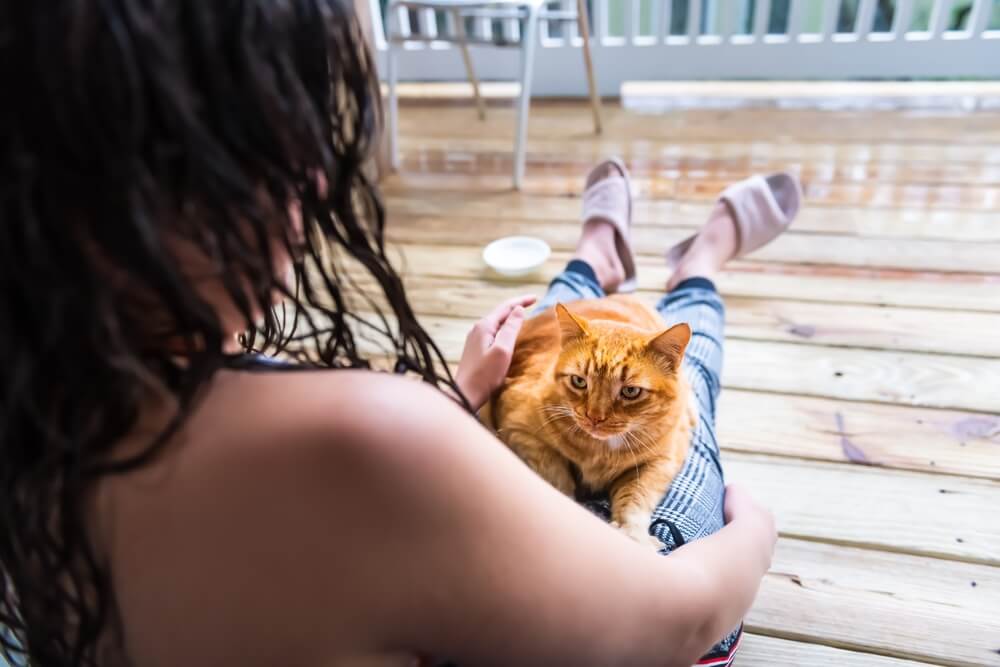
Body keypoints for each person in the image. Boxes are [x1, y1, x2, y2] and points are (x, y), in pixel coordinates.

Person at [0, 2, 777, 666]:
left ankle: (593, 256)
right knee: (685, 398)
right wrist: (759, 532)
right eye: (286, 130)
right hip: (631, 614)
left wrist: (462, 390)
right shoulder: (369, 443)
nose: (313, 179)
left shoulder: (35, 406)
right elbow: (681, 618)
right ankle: (698, 266)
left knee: (558, 339)